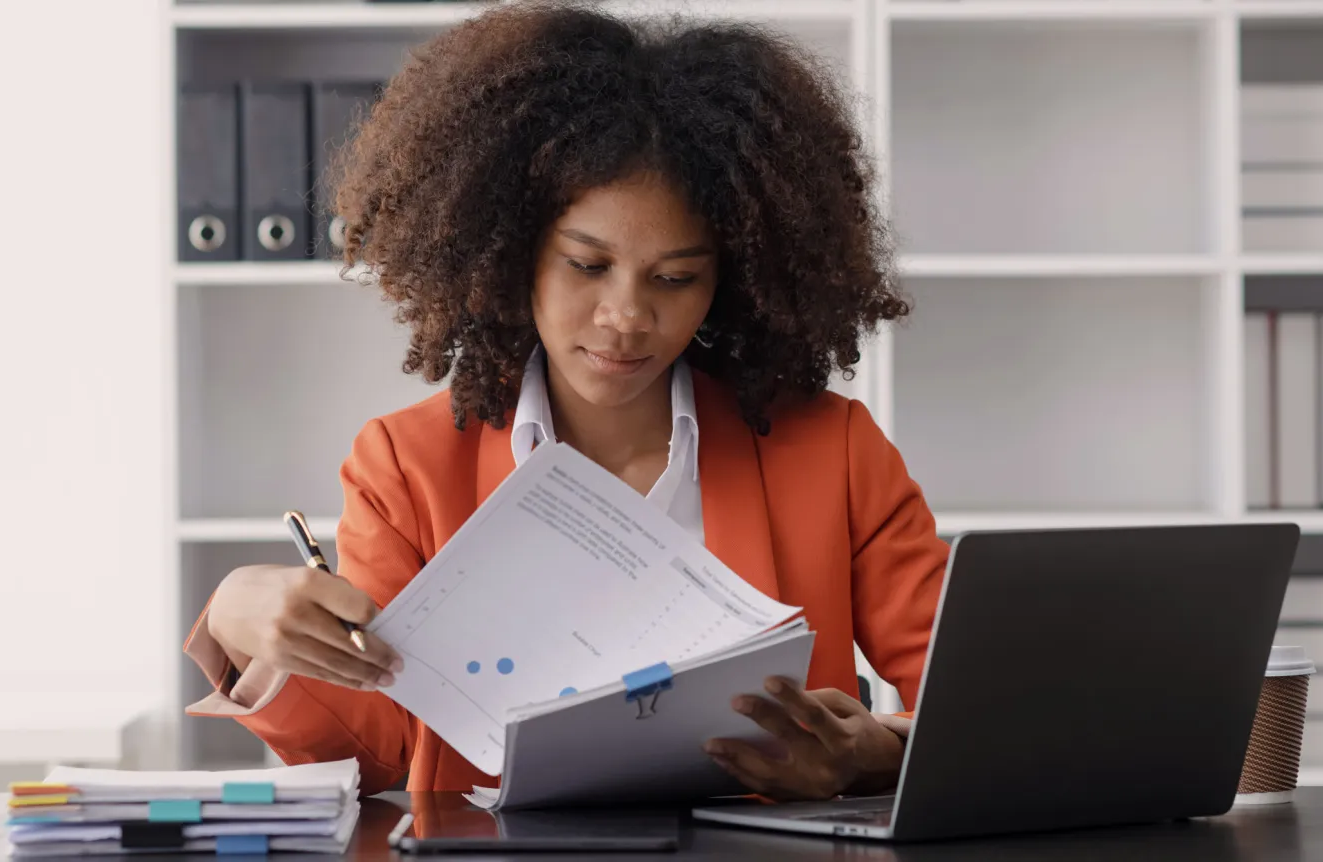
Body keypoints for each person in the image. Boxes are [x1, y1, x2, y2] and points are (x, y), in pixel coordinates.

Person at [184, 0, 947, 803]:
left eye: (676, 277)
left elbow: (972, 706)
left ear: (734, 280)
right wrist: (243, 625)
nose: (626, 318)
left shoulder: (834, 451)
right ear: (510, 252)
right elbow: (369, 751)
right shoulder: (408, 467)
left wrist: (876, 753)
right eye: (587, 266)